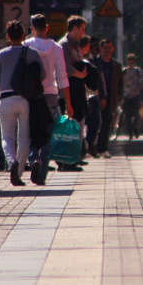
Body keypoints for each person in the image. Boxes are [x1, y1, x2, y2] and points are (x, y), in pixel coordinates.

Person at [0, 20, 45, 186]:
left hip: (5, 99)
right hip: (24, 100)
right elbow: (42, 75)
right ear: (23, 35)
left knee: (7, 137)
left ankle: (11, 161)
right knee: (24, 139)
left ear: (8, 37)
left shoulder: (1, 54)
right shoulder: (32, 53)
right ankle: (20, 172)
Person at [24, 13, 72, 185]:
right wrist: (68, 103)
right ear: (47, 27)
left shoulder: (26, 46)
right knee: (48, 135)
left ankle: (33, 158)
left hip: (31, 95)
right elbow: (62, 76)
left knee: (30, 130)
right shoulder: (57, 48)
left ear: (32, 29)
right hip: (51, 94)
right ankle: (42, 173)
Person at [58, 15, 89, 171]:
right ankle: (67, 162)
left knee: (75, 126)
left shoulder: (74, 45)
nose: (84, 33)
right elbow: (66, 67)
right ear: (74, 28)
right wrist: (81, 74)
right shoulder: (64, 45)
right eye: (82, 29)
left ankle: (71, 160)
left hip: (76, 91)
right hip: (68, 91)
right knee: (69, 127)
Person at [95, 39, 123, 157]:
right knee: (95, 124)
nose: (107, 50)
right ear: (100, 49)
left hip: (110, 99)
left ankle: (103, 148)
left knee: (107, 124)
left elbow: (120, 84)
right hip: (96, 98)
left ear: (113, 49)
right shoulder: (95, 63)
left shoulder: (116, 66)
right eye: (105, 48)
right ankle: (93, 148)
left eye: (109, 48)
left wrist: (119, 99)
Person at [82, 37, 104, 157]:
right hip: (81, 95)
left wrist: (103, 96)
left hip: (93, 95)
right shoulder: (77, 58)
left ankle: (90, 144)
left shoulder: (95, 60)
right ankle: (83, 148)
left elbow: (100, 79)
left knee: (95, 122)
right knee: (81, 123)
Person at [121, 53, 143, 139]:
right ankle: (130, 132)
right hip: (126, 96)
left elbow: (141, 84)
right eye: (129, 61)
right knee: (127, 115)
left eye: (132, 61)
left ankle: (136, 129)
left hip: (135, 96)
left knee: (136, 114)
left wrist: (134, 92)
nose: (130, 63)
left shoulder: (138, 71)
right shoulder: (124, 71)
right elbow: (120, 83)